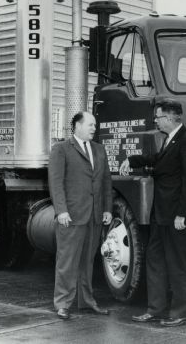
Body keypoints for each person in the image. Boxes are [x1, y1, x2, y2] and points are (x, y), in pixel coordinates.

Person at [119, 99, 186, 327]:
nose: (155, 120)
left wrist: (182, 215)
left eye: (158, 116)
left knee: (179, 264)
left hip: (176, 217)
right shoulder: (169, 140)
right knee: (155, 261)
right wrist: (131, 160)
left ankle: (180, 313)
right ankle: (155, 309)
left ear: (171, 118)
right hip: (161, 215)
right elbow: (155, 160)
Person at [49, 111, 113, 320]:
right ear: (77, 126)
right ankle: (63, 303)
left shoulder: (99, 150)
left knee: (87, 262)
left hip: (94, 216)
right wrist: (61, 211)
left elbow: (105, 182)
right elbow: (56, 182)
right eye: (90, 124)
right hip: (72, 215)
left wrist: (107, 209)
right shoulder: (61, 149)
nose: (94, 128)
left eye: (95, 125)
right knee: (67, 261)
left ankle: (86, 302)